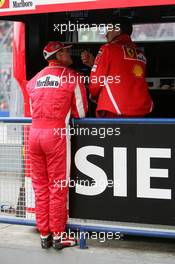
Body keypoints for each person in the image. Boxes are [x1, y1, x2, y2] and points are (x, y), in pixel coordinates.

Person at [27, 41, 88, 250]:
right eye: (66, 51)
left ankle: (45, 235)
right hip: (56, 136)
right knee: (58, 187)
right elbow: (81, 111)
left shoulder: (34, 79)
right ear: (58, 55)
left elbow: (31, 110)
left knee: (41, 187)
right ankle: (59, 236)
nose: (70, 53)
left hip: (34, 135)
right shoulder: (73, 77)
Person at [81, 18, 153, 118]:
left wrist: (92, 95)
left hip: (115, 109)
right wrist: (95, 64)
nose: (106, 34)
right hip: (142, 109)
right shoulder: (140, 53)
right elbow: (122, 70)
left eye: (109, 30)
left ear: (117, 29)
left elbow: (96, 83)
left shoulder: (107, 48)